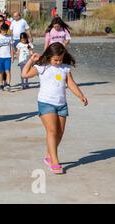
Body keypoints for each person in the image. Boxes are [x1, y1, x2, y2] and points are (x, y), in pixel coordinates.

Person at [22, 43, 88, 175]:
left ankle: (49, 155)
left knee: (60, 133)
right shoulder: (42, 67)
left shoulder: (65, 68)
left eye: (60, 59)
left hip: (61, 104)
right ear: (49, 57)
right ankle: (55, 161)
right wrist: (31, 60)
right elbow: (25, 74)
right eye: (55, 60)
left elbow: (70, 83)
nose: (58, 62)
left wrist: (80, 95)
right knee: (52, 131)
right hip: (46, 103)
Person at [0, 23, 14, 91]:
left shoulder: (9, 37)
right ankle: (1, 84)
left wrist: (12, 57)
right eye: (3, 30)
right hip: (0, 57)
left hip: (8, 57)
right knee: (1, 72)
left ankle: (8, 84)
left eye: (6, 31)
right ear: (1, 30)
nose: (4, 32)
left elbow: (12, 48)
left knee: (8, 71)